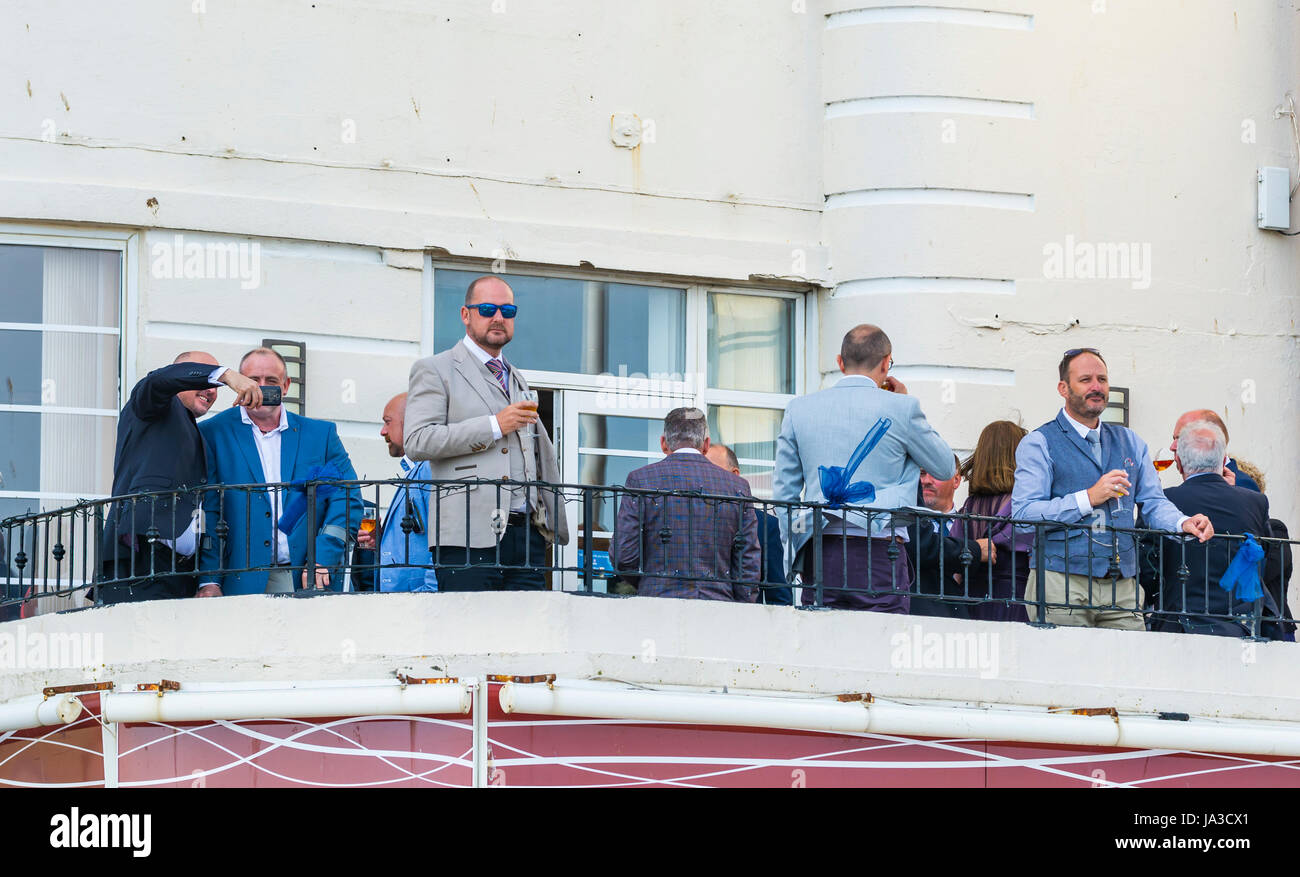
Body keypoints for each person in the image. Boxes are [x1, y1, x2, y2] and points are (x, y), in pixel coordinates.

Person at [1012, 348, 1212, 629]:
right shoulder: (1039, 443)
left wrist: (1183, 522)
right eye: (1085, 380)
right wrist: (1088, 498)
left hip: (1123, 585)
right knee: (1067, 668)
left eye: (1102, 379)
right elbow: (1023, 515)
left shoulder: (1131, 441)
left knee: (1129, 670)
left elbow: (1154, 502)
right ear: (1063, 388)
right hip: (1059, 580)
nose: (1097, 387)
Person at [774, 324, 955, 613]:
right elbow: (945, 467)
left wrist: (795, 550)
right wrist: (904, 402)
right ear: (886, 363)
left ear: (840, 362)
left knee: (822, 646)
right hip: (881, 551)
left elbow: (784, 495)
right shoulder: (902, 409)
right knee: (880, 646)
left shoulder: (799, 409)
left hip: (821, 552)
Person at [403, 275, 568, 591]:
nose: (498, 318)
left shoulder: (516, 377)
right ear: (466, 315)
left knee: (524, 638)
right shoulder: (436, 369)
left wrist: (545, 521)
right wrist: (494, 425)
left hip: (525, 536)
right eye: (488, 308)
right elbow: (417, 440)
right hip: (466, 535)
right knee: (470, 637)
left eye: (508, 311)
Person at [98, 352, 262, 603]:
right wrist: (226, 375)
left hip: (182, 572)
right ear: (181, 377)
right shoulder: (152, 404)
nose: (211, 390)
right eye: (205, 380)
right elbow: (158, 380)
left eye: (216, 387)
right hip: (141, 561)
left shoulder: (199, 435)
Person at [198, 348, 363, 595]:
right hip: (239, 580)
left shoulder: (320, 436)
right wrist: (209, 579)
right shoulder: (212, 433)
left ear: (286, 386)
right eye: (253, 380)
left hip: (308, 578)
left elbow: (346, 498)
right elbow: (208, 509)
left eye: (271, 381)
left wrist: (323, 556)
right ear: (238, 384)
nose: (261, 388)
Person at [1143, 420, 1283, 638]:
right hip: (1238, 626)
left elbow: (1146, 566)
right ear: (1222, 460)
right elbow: (1263, 555)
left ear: (1178, 462)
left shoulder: (1164, 501)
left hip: (1176, 625)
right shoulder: (1255, 502)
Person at [612, 408, 759, 601]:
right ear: (706, 445)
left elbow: (624, 556)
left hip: (657, 602)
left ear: (664, 443)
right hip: (718, 606)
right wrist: (740, 606)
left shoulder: (641, 480)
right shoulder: (736, 486)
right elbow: (747, 562)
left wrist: (650, 583)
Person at [355, 393, 438, 593]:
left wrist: (429, 593)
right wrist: (382, 541)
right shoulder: (415, 470)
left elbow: (444, 539)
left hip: (416, 602)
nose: (383, 431)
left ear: (411, 422)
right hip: (402, 601)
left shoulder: (429, 469)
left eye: (388, 422)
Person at [952, 421, 1032, 623]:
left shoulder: (968, 508)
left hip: (971, 601)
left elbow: (955, 569)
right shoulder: (1025, 507)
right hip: (1015, 602)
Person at [705, 443, 791, 605]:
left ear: (735, 475)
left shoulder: (767, 526)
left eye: (713, 471)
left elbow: (779, 597)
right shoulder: (692, 518)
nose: (706, 478)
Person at [906, 458, 988, 620]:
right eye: (921, 473)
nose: (926, 481)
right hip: (920, 617)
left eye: (936, 474)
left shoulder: (976, 524)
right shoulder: (907, 526)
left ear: (956, 480)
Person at [1168, 410, 1259, 492]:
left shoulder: (1242, 484)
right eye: (1174, 439)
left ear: (1212, 438)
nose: (1172, 447)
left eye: (1181, 438)